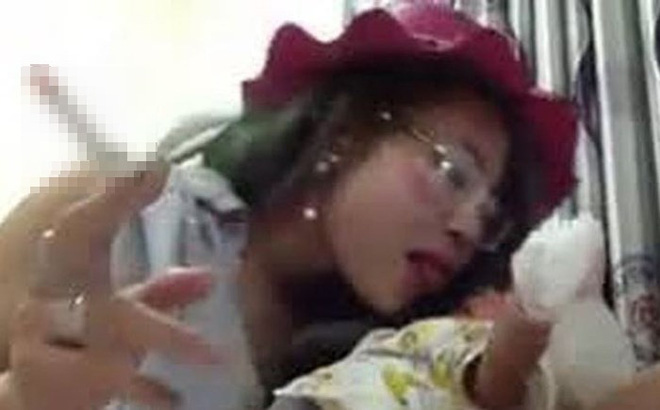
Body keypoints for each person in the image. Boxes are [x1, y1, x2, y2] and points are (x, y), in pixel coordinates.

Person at [0, 3, 584, 410]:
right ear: (348, 131)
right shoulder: (113, 216)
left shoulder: (387, 375)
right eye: (453, 173)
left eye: (488, 219)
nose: (466, 230)